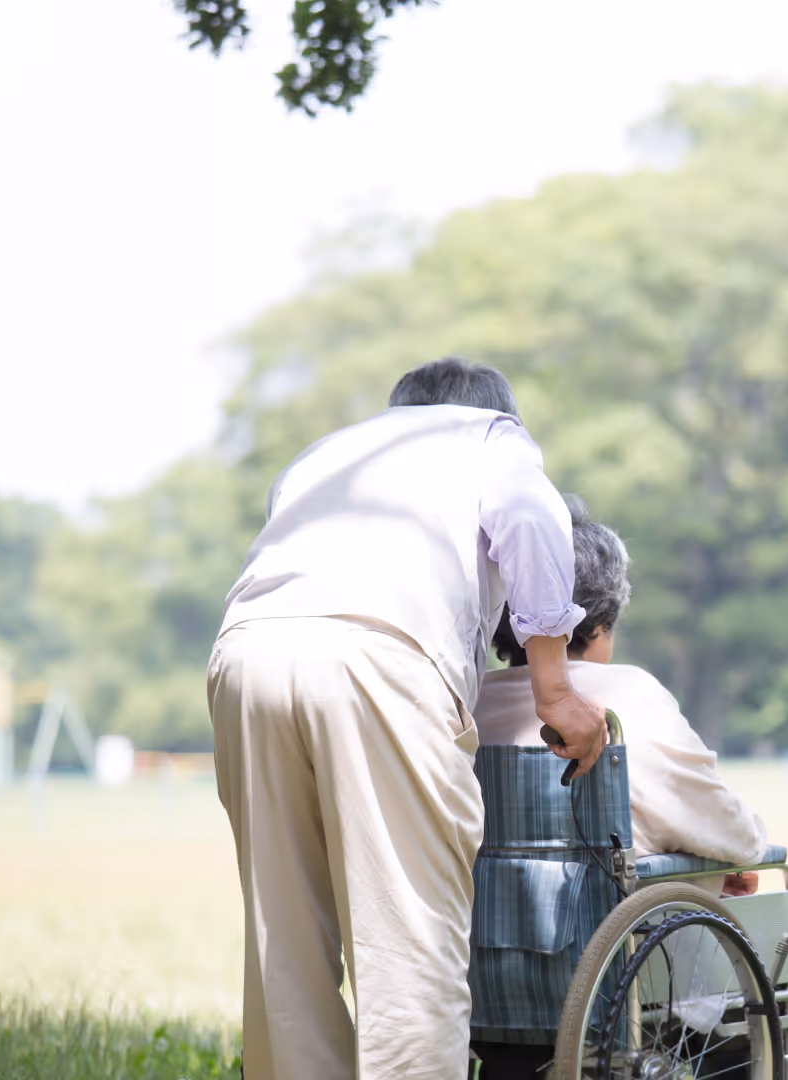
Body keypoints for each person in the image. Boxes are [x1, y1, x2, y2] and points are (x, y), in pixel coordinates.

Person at [207, 357, 610, 1080]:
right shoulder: (493, 439)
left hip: (248, 652)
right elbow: (530, 514)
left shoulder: (326, 454)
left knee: (284, 937)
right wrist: (553, 688)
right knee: (408, 944)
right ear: (500, 412)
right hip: (383, 654)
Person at [471, 506, 788, 1080]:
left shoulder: (468, 705)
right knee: (762, 913)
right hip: (624, 977)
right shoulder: (629, 695)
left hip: (486, 973)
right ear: (602, 619)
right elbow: (731, 833)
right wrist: (738, 854)